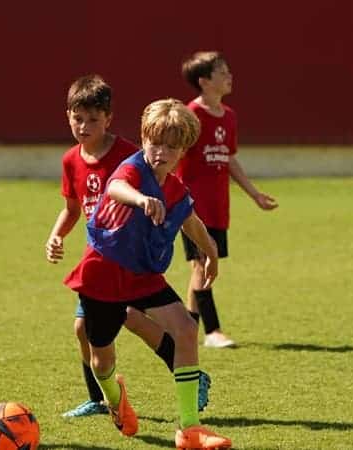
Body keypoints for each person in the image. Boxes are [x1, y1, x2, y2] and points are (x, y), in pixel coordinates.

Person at [64, 98, 231, 449]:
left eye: (171, 146)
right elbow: (114, 187)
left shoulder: (174, 188)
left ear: (183, 150)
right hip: (104, 273)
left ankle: (190, 429)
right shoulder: (132, 170)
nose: (161, 152)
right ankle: (113, 398)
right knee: (101, 357)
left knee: (186, 328)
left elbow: (190, 221)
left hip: (142, 275)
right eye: (155, 143)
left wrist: (212, 252)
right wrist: (140, 200)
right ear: (143, 141)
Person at [45, 76, 210, 417]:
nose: (84, 125)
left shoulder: (132, 157)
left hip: (137, 262)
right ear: (68, 116)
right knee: (90, 333)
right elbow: (83, 203)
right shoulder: (74, 161)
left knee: (170, 325)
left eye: (93, 118)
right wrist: (56, 235)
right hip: (102, 259)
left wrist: (208, 252)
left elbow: (184, 214)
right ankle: (106, 398)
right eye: (78, 118)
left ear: (109, 118)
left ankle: (188, 406)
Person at [176, 51, 278, 348]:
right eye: (223, 72)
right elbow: (174, 155)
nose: (229, 76)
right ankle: (213, 331)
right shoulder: (190, 115)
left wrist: (255, 194)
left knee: (203, 265)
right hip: (192, 206)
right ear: (204, 81)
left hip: (219, 205)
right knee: (203, 263)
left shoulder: (229, 116)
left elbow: (230, 159)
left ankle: (186, 330)